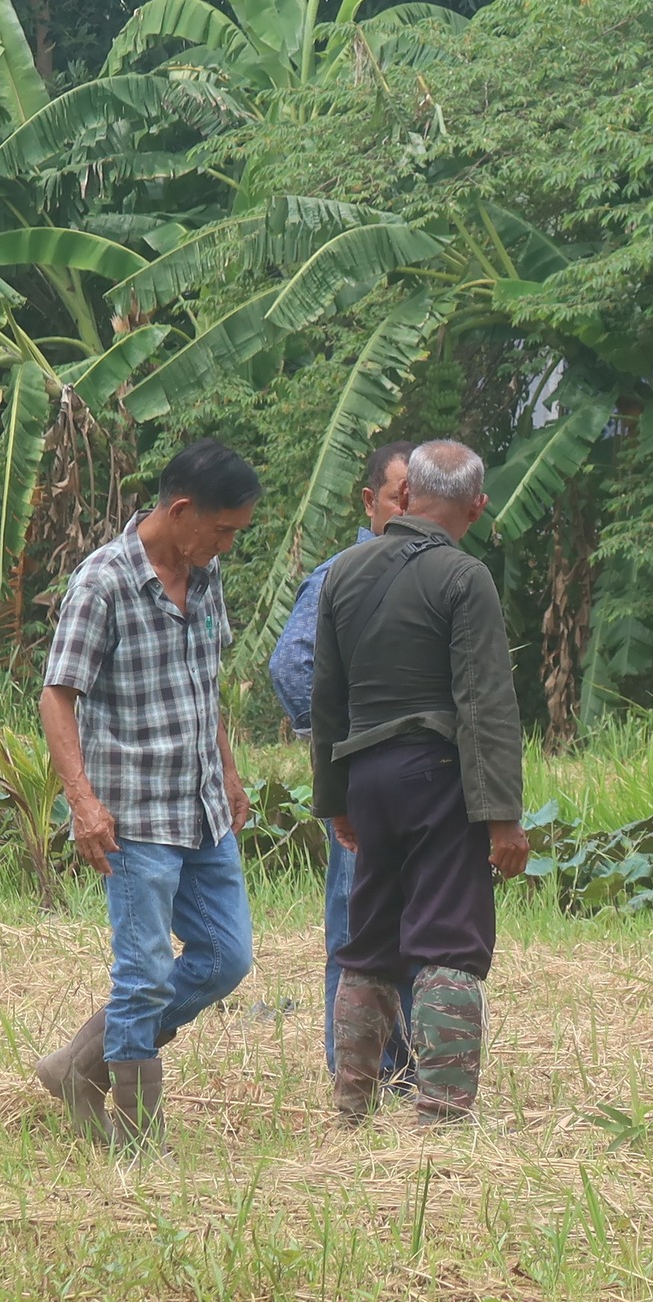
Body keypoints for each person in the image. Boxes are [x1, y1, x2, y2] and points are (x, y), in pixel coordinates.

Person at [34, 438, 262, 1148]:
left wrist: (227, 770)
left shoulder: (207, 574)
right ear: (181, 509)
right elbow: (56, 695)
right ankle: (137, 1137)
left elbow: (205, 683)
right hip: (133, 813)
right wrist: (83, 802)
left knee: (227, 956)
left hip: (200, 805)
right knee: (144, 973)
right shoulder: (103, 582)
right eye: (222, 529)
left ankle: (80, 1066)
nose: (226, 544)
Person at [309, 439, 529, 1124]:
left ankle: (352, 1102)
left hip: (367, 779)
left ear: (405, 496)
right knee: (448, 941)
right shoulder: (465, 578)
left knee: (369, 943)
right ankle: (439, 1109)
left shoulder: (343, 573)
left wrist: (335, 799)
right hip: (437, 779)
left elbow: (326, 699)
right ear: (478, 506)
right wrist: (502, 815)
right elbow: (484, 702)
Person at [267, 441, 416, 1081]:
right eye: (399, 499)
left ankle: (406, 1065)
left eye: (420, 500)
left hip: (422, 783)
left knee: (416, 923)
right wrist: (343, 744)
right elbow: (290, 665)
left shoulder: (431, 572)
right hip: (361, 783)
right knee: (359, 923)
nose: (410, 511)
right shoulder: (341, 575)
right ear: (369, 501)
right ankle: (357, 1071)